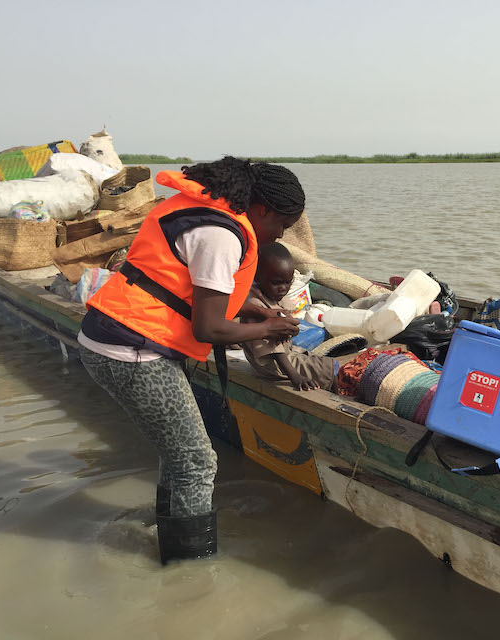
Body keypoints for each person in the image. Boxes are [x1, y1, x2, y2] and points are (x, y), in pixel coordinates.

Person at [77, 157, 305, 564]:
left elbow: (181, 289)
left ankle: (170, 536)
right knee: (197, 462)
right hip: (131, 349)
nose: (279, 235)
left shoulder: (204, 210)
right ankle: (189, 571)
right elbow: (210, 330)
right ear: (262, 210)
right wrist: (270, 330)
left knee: (180, 455)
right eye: (282, 226)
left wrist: (253, 314)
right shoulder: (221, 235)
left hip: (114, 334)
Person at [241, 242, 338, 391]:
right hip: (273, 366)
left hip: (287, 354)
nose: (283, 288)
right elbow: (275, 351)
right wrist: (296, 377)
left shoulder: (273, 296)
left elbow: (290, 331)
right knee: (331, 369)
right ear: (257, 276)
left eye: (288, 282)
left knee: (321, 360)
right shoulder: (256, 306)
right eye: (276, 283)